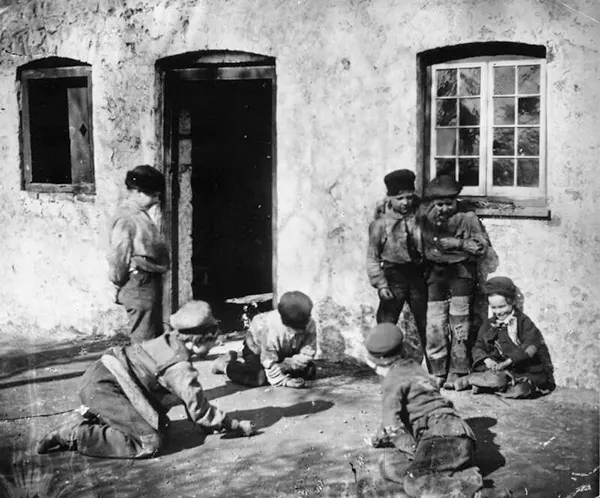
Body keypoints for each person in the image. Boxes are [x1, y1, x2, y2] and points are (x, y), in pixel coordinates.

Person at [37, 301, 255, 459]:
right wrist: (233, 424)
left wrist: (207, 424)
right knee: (150, 442)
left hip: (103, 376)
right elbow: (199, 408)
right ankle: (75, 434)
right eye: (213, 340)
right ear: (200, 339)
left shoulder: (170, 340)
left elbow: (187, 398)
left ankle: (100, 417)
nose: (215, 345)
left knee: (162, 425)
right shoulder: (179, 367)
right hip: (105, 387)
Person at [364, 323, 511, 498]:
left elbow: (391, 425)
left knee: (413, 481)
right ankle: (462, 475)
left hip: (440, 438)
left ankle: (477, 494)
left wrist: (393, 444)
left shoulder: (392, 380)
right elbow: (442, 403)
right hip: (459, 438)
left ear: (378, 365)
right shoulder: (415, 369)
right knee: (388, 465)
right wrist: (382, 439)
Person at [418, 175, 489, 389]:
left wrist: (458, 243)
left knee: (459, 321)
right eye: (438, 204)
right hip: (435, 275)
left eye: (447, 204)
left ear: (455, 201)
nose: (443, 209)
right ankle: (436, 369)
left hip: (461, 273)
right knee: (435, 322)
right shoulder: (425, 216)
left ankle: (459, 370)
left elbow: (481, 247)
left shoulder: (467, 216)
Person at [456, 276, 555, 398]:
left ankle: (485, 385)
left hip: (524, 372)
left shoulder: (523, 322)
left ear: (512, 301)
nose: (498, 312)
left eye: (502, 307)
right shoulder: (489, 323)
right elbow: (479, 345)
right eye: (493, 307)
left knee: (522, 390)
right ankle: (474, 380)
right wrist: (487, 360)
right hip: (501, 372)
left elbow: (531, 346)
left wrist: (509, 361)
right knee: (497, 378)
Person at [366, 170, 427, 356]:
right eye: (400, 198)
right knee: (386, 321)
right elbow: (372, 257)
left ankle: (435, 370)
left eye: (409, 197)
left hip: (418, 276)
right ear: (390, 198)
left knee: (426, 321)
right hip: (394, 278)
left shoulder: (420, 218)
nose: (405, 203)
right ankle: (383, 363)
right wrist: (380, 284)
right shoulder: (381, 224)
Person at [107, 165, 170, 343]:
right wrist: (119, 283)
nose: (157, 200)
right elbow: (119, 256)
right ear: (138, 192)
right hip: (139, 283)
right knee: (145, 343)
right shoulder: (126, 217)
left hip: (148, 283)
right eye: (154, 195)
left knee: (152, 339)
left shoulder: (139, 215)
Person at [212, 291, 317, 388]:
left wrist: (285, 365)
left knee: (309, 371)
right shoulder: (271, 327)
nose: (300, 330)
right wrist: (285, 381)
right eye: (295, 326)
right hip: (257, 347)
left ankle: (248, 364)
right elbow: (268, 361)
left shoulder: (309, 323)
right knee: (258, 377)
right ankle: (224, 365)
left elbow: (307, 353)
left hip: (284, 351)